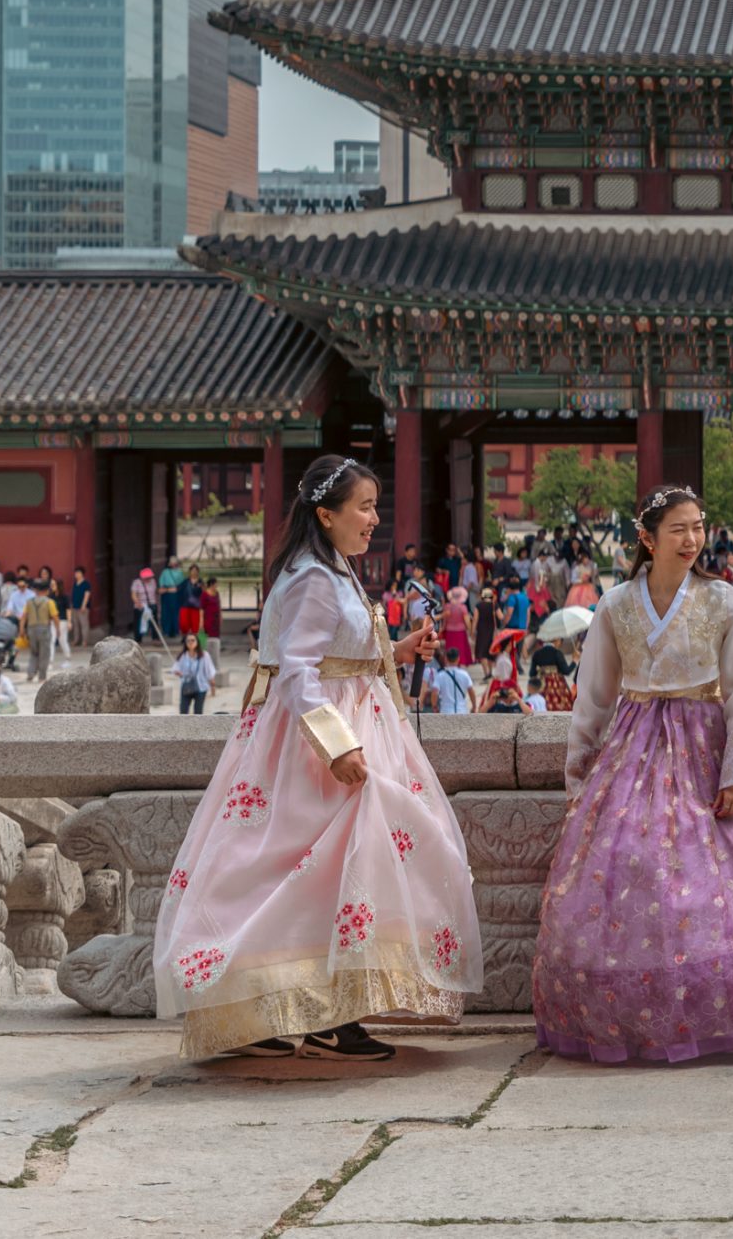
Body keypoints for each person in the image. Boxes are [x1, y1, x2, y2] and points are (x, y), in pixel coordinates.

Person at [152, 454, 479, 1061]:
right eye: (363, 507)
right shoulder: (313, 578)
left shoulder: (332, 570)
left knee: (330, 874)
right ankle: (323, 1018)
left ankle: (311, 1013)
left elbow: (339, 654)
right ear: (325, 514)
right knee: (313, 870)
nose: (374, 519)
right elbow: (298, 671)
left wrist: (400, 650)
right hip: (321, 744)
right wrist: (337, 747)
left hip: (346, 726)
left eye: (376, 506)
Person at [535, 485, 733, 1063]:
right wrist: (580, 774)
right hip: (636, 745)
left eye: (698, 526)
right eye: (679, 529)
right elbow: (594, 696)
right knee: (640, 870)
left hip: (706, 741)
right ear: (648, 537)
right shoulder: (616, 605)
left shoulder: (722, 601)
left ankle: (729, 1004)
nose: (693, 539)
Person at [21, 581, 59, 682]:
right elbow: (55, 617)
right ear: (46, 590)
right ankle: (42, 676)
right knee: (44, 653)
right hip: (44, 629)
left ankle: (30, 673)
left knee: (33, 652)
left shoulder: (29, 602)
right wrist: (58, 629)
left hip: (31, 629)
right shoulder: (49, 602)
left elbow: (23, 616)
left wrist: (21, 629)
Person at [173, 633, 218, 715]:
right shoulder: (183, 656)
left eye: (193, 640)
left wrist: (212, 685)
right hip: (186, 685)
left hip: (201, 686)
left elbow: (209, 671)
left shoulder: (204, 655)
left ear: (197, 642)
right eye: (188, 641)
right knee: (183, 711)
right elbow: (175, 668)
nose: (190, 642)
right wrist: (178, 673)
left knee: (198, 712)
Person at [131, 566, 163, 644]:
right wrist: (137, 602)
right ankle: (138, 639)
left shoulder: (153, 581)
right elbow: (133, 594)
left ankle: (155, 638)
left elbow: (155, 592)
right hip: (140, 605)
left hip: (152, 604)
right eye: (147, 577)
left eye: (149, 577)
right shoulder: (136, 582)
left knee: (154, 622)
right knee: (139, 623)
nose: (148, 579)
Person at [66, 566, 91, 654]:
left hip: (83, 607)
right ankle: (76, 640)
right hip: (75, 607)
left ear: (81, 574)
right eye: (75, 573)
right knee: (75, 624)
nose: (76, 575)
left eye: (77, 573)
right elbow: (73, 594)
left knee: (84, 624)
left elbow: (87, 595)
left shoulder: (86, 584)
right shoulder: (75, 583)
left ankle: (85, 641)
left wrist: (83, 605)